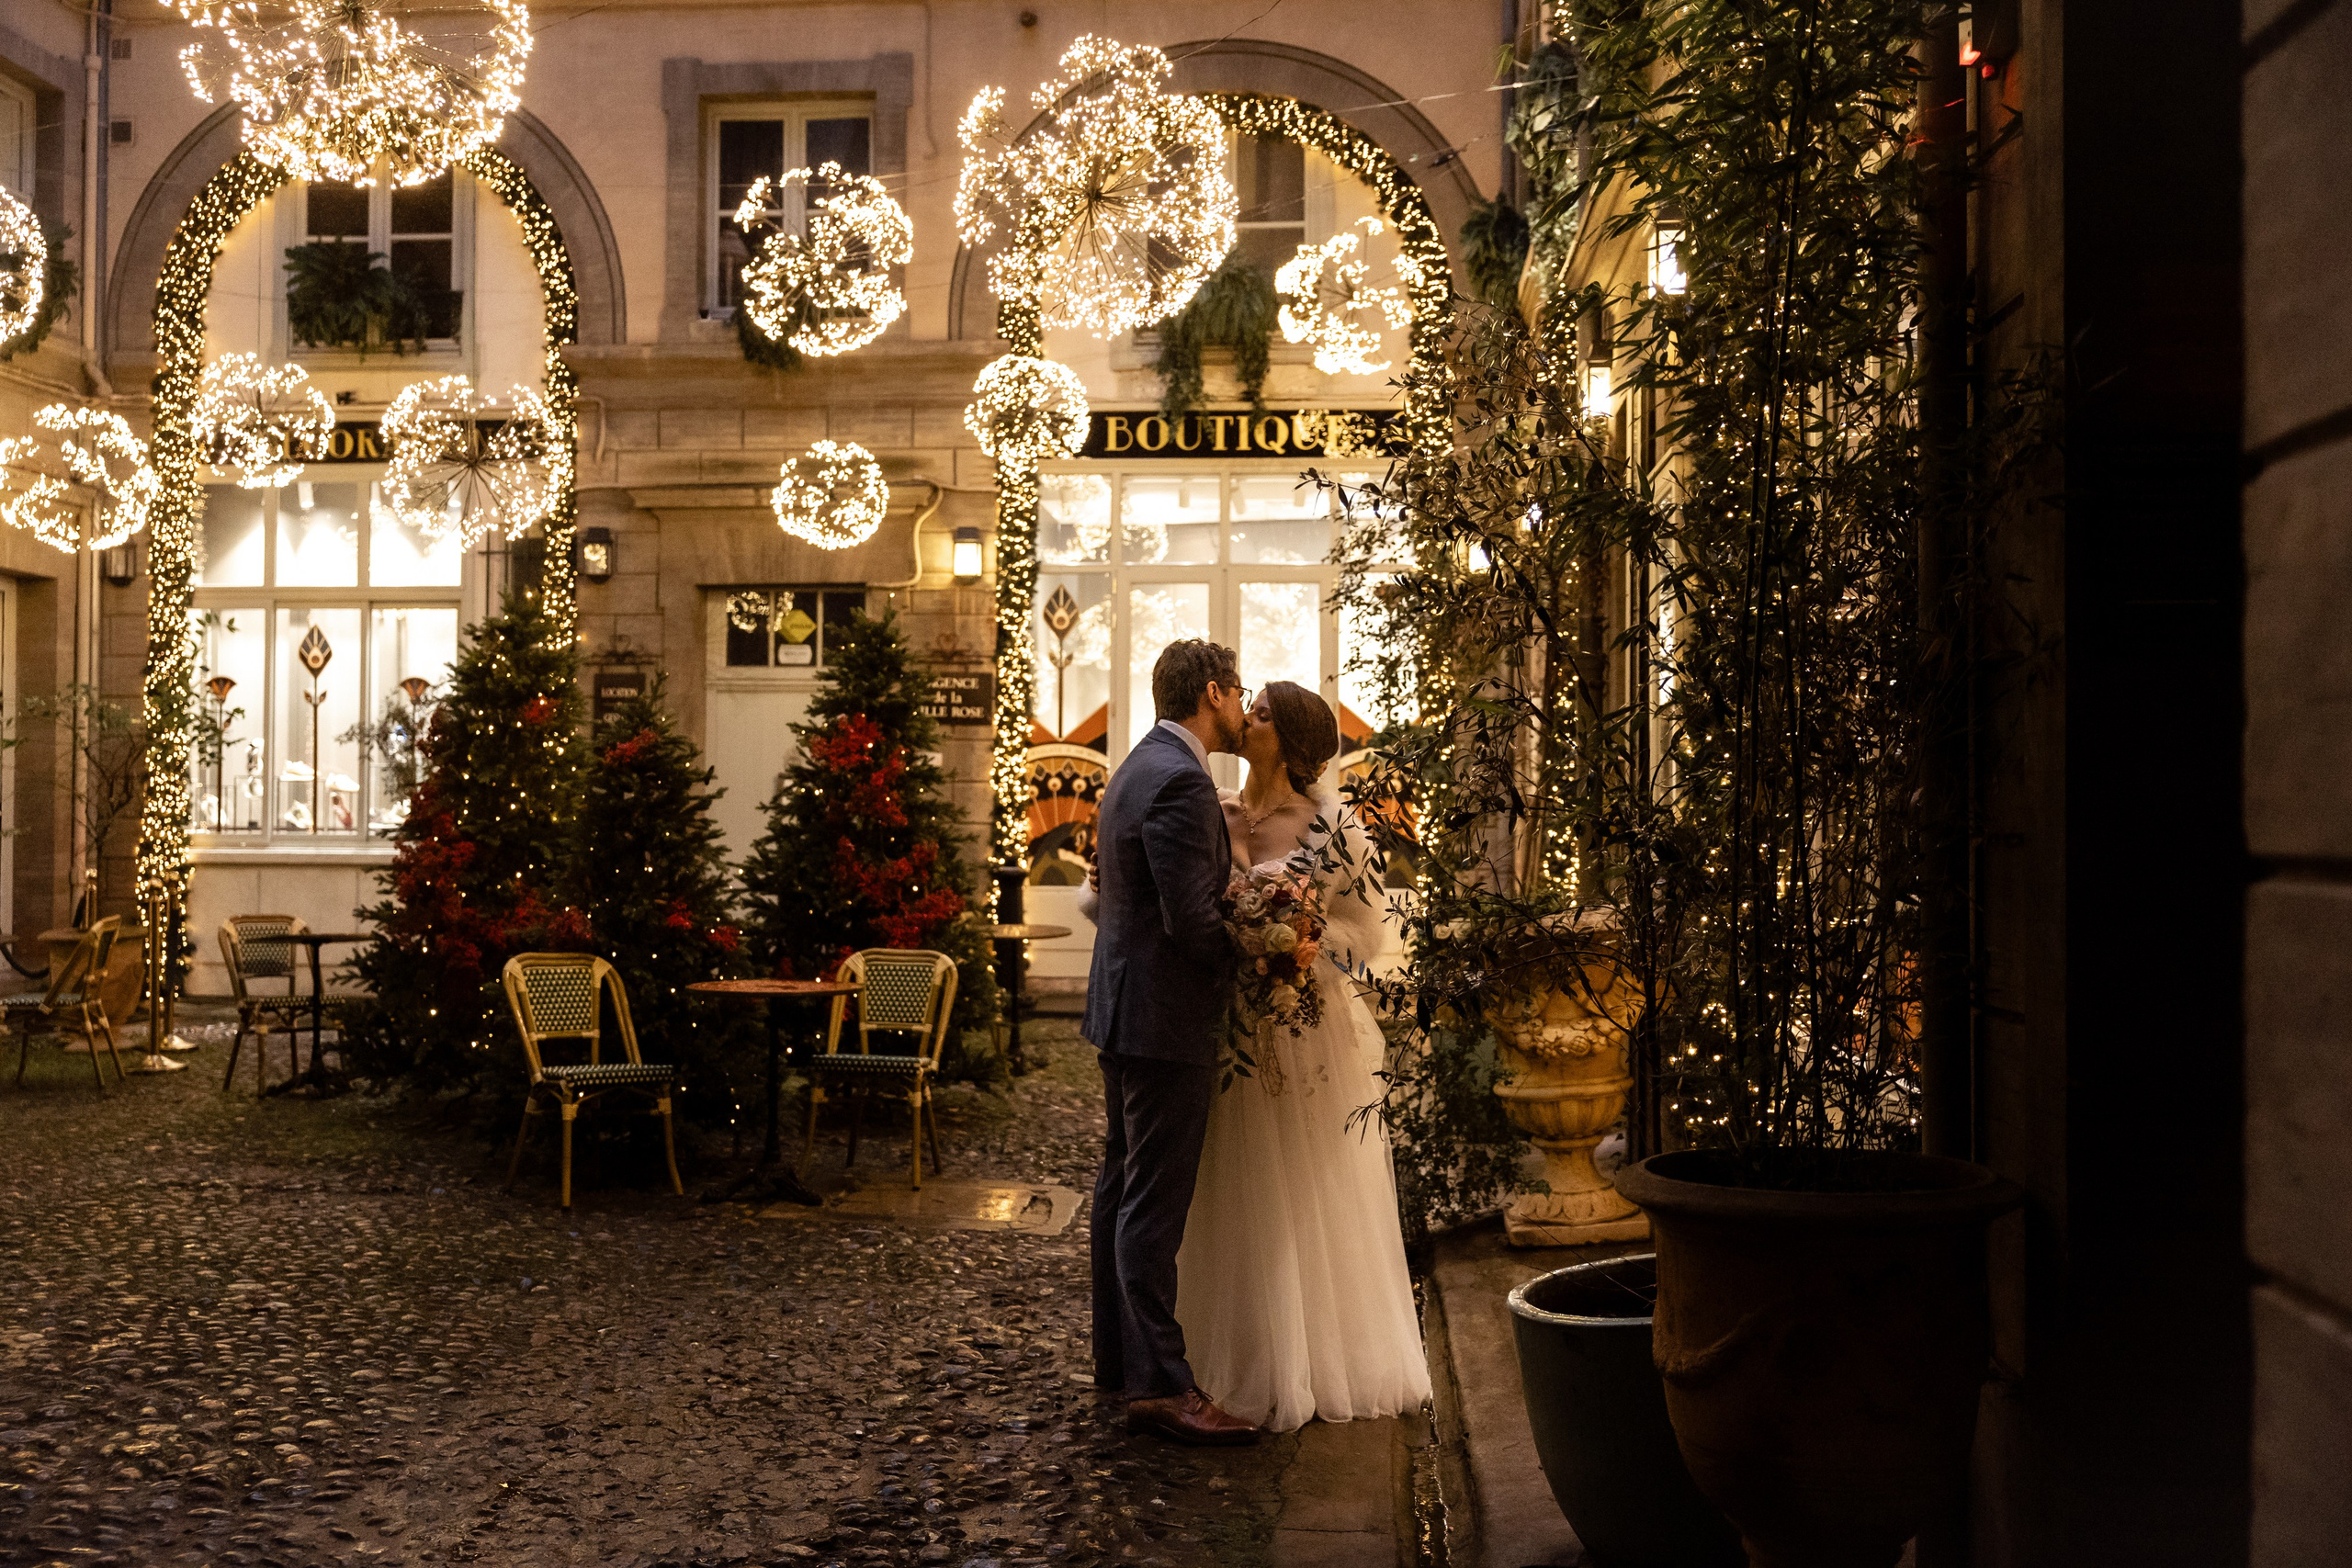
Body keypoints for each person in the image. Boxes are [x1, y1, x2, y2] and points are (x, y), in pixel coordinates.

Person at [1172, 681, 1430, 1431]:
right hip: (1229, 1027)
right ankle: (1231, 1351)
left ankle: (1311, 1357)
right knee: (1231, 1184)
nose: (1245, 719)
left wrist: (1304, 941)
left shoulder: (1331, 827)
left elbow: (1367, 933)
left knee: (1302, 1189)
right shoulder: (1218, 811)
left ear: (1285, 737)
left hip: (1305, 1027)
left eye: (1258, 714)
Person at [1081, 638, 1260, 1446]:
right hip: (1163, 1020)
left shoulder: (1135, 766)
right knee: (1152, 1203)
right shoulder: (1182, 780)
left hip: (1123, 1011)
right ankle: (1160, 1383)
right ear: (1213, 693)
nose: (1243, 707)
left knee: (1122, 1187)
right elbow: (1192, 920)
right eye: (1239, 693)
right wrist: (1256, 959)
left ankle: (1119, 1360)